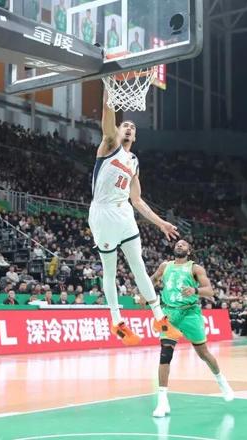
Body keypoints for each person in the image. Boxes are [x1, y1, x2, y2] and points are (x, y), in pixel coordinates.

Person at [88, 90, 181, 345]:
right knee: (110, 270)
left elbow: (137, 200)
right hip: (103, 213)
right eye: (125, 125)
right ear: (118, 130)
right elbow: (107, 114)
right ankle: (117, 322)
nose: (128, 128)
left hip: (124, 213)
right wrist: (108, 89)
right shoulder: (109, 145)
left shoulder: (134, 161)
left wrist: (160, 223)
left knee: (138, 265)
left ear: (135, 136)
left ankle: (160, 318)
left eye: (132, 127)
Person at [149, 240, 233, 418]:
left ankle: (221, 381)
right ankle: (162, 402)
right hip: (170, 314)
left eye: (184, 245)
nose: (179, 246)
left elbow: (209, 291)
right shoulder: (165, 266)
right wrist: (144, 293)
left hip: (190, 313)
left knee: (203, 353)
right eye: (177, 244)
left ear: (189, 251)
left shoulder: (195, 268)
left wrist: (195, 290)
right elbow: (151, 280)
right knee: (165, 355)